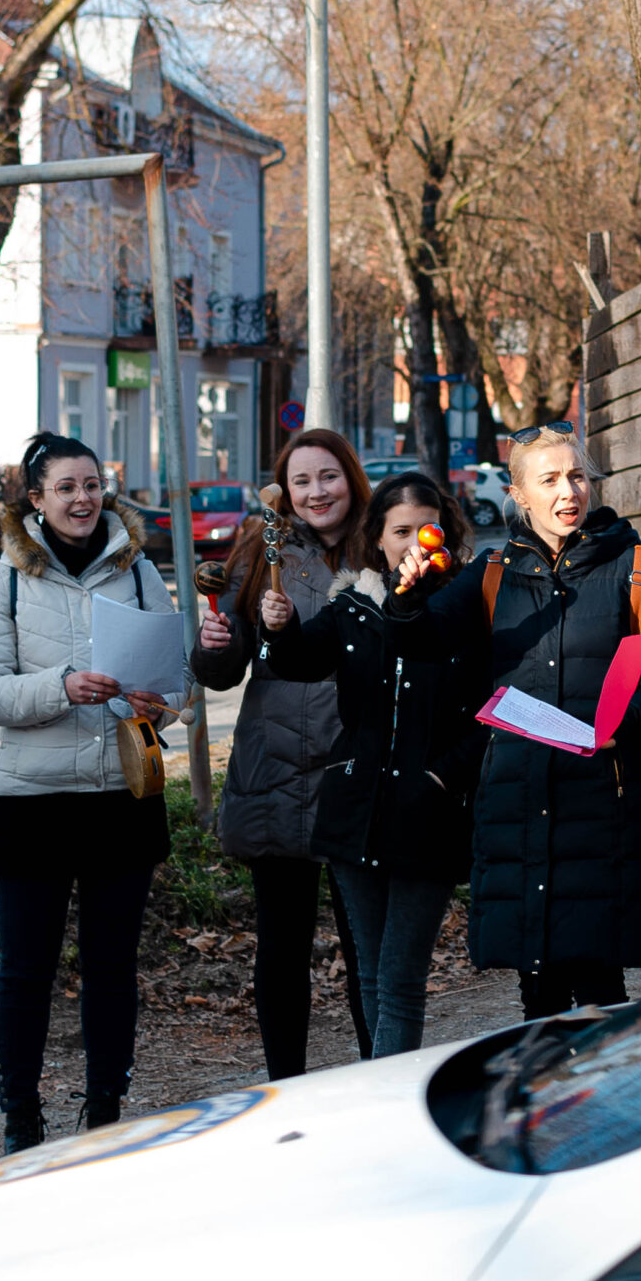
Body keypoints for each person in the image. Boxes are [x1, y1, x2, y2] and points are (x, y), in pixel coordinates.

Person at [391, 424, 641, 1014]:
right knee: (538, 997)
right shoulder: (491, 572)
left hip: (603, 808)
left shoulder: (635, 568)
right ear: (519, 494)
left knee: (602, 993)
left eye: (577, 476)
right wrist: (407, 597)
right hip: (517, 803)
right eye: (549, 479)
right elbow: (422, 643)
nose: (567, 492)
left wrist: (623, 723)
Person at [0, 432, 181, 1153]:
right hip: (34, 804)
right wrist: (61, 688)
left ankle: (105, 1113)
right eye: (66, 488)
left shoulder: (140, 573)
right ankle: (20, 1120)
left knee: (112, 970)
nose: (83, 499)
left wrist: (159, 703)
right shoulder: (5, 580)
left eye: (92, 485)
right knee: (25, 971)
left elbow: (177, 681)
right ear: (37, 500)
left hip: (122, 799)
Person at [263, 472, 484, 1055]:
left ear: (446, 533)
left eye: (427, 530)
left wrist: (442, 776)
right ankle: (380, 1084)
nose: (415, 544)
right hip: (354, 808)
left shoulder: (467, 606)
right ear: (378, 539)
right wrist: (278, 629)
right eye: (400, 531)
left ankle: (389, 1097)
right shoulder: (353, 605)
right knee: (368, 973)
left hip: (427, 812)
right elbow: (298, 662)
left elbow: (490, 711)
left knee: (400, 980)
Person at [192, 428, 374, 1076]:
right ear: (285, 491)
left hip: (359, 769)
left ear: (351, 479)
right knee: (281, 949)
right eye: (301, 481)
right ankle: (284, 1088)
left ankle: (378, 1080)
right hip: (277, 771)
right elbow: (224, 669)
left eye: (328, 476)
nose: (316, 492)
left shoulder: (381, 545)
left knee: (368, 949)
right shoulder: (262, 550)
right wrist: (215, 644)